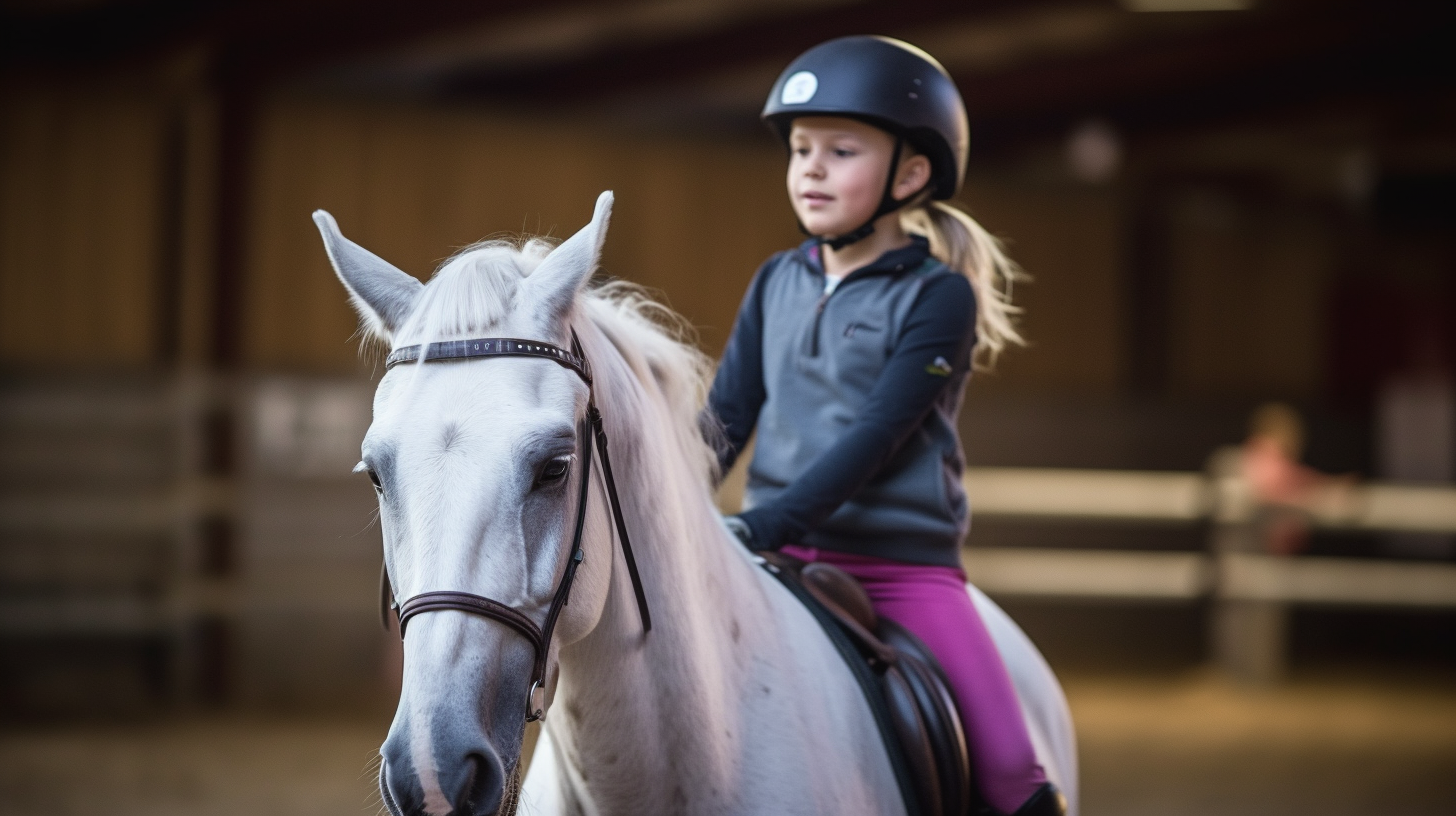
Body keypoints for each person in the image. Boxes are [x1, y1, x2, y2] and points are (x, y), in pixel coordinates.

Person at [705, 35, 1062, 816]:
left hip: (900, 567)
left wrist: (764, 522)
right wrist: (683, 507)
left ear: (909, 174)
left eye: (840, 151)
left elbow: (876, 436)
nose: (811, 169)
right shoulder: (776, 280)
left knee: (1010, 775)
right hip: (772, 552)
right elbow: (727, 416)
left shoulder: (939, 299)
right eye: (801, 150)